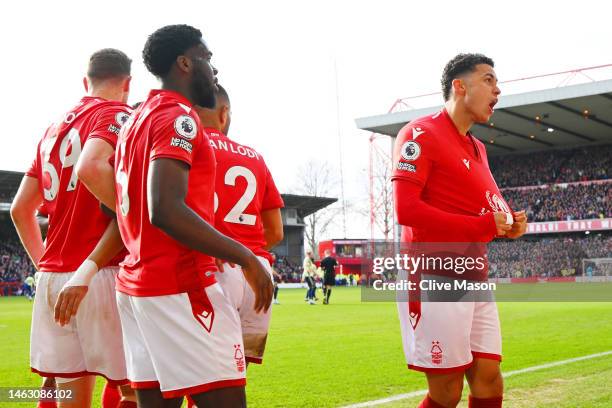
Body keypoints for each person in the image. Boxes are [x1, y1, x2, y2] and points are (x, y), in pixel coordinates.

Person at [112, 24, 272, 407]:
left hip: (137, 284)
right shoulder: (177, 117)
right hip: (181, 282)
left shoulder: (136, 119)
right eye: (207, 59)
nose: (213, 71)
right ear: (184, 63)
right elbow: (165, 208)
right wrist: (245, 256)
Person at [391, 53, 527, 408]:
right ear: (460, 85)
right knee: (446, 391)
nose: (497, 90)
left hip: (475, 276)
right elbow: (406, 209)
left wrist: (509, 222)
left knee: (489, 379)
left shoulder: (477, 148)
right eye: (489, 80)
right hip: (435, 276)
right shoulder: (419, 133)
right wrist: (483, 225)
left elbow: (489, 207)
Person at [11, 48, 133, 408]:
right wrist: (136, 214)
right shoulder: (119, 114)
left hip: (53, 280)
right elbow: (92, 168)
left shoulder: (52, 130)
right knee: (135, 389)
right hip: (102, 271)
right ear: (127, 84)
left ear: (86, 82)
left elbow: (21, 210)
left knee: (68, 396)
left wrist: (44, 266)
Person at [196, 84, 284, 365]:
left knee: (203, 377)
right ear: (224, 113)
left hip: (214, 268)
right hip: (257, 273)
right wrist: (246, 256)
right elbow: (276, 231)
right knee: (235, 374)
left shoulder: (190, 149)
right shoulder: (255, 157)